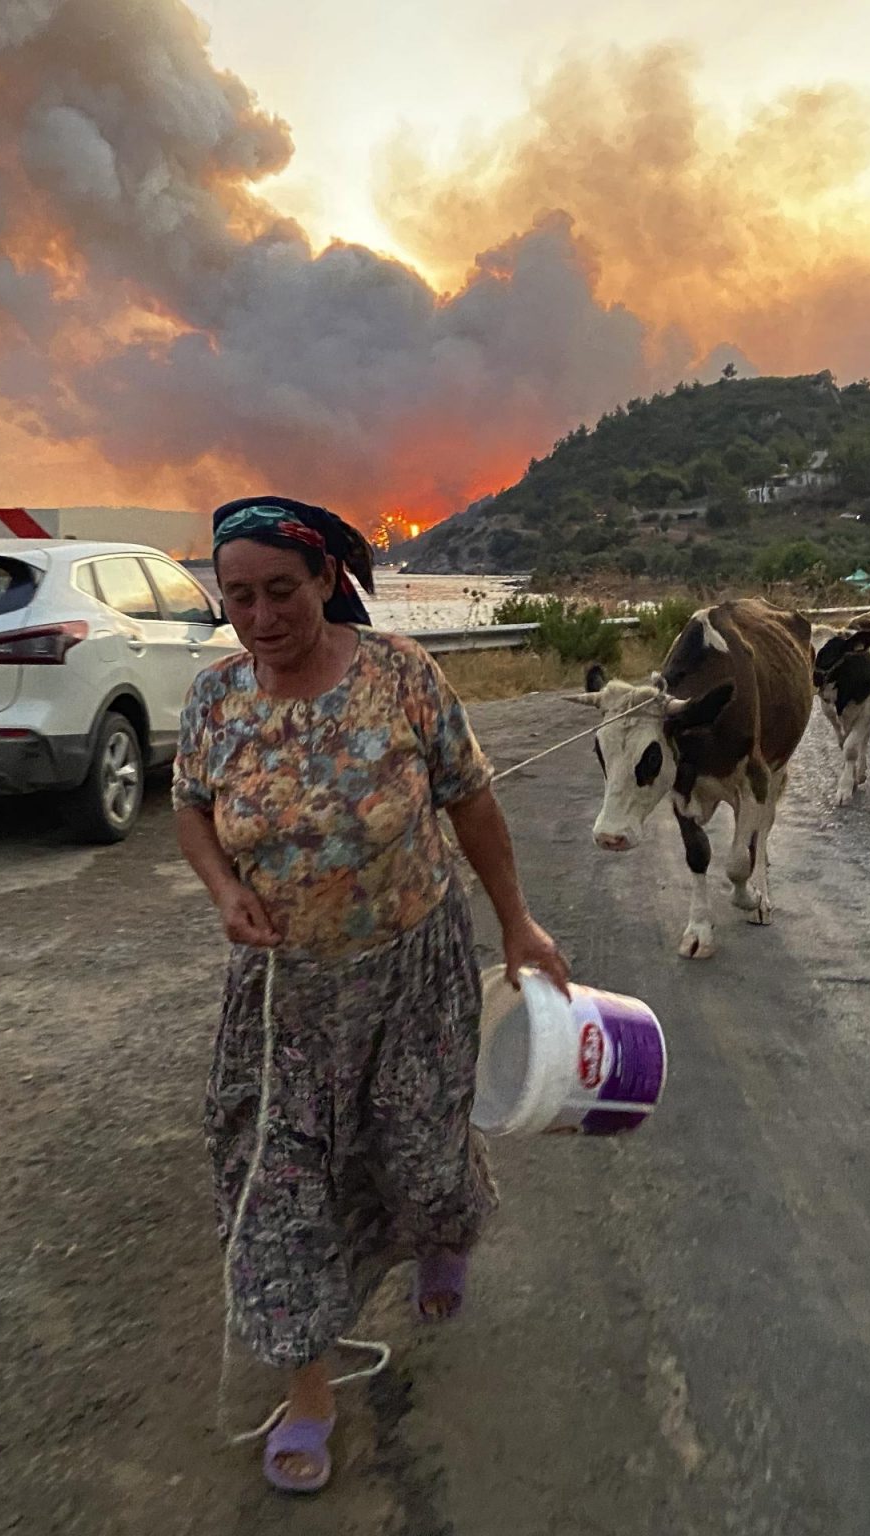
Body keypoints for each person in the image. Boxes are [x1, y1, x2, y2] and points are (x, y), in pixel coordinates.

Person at [173, 495, 570, 1495]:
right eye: (238, 598)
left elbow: (469, 798)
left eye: (279, 591)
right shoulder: (215, 700)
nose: (261, 616)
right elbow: (188, 808)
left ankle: (443, 1230)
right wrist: (226, 891)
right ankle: (310, 1390)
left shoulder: (400, 676)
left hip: (411, 967)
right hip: (282, 1002)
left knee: (419, 1149)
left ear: (323, 581)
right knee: (276, 1189)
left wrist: (517, 922)